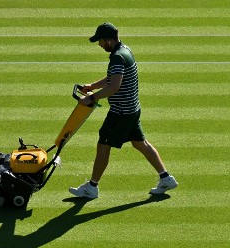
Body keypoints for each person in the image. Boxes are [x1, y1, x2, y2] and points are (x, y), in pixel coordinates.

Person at [69, 22, 177, 200]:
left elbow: (114, 86)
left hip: (121, 112)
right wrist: (92, 86)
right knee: (140, 143)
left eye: (101, 41)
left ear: (109, 40)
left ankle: (92, 187)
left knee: (103, 145)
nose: (99, 44)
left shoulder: (117, 57)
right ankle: (166, 178)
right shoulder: (124, 50)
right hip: (132, 109)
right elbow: (113, 77)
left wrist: (92, 98)